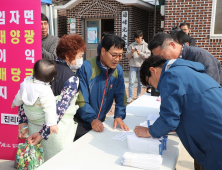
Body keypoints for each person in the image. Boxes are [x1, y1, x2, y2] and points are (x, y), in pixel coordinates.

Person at [135, 55, 222, 170]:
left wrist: (148, 131)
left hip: (215, 142)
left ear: (153, 70)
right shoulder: (189, 71)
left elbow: (169, 119)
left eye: (150, 83)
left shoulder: (170, 75)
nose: (155, 88)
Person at [18, 34, 86, 161]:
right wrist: (42, 134)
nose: (80, 59)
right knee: (57, 163)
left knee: (37, 163)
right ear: (68, 55)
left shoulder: (42, 68)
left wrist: (23, 124)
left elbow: (24, 97)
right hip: (56, 132)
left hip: (33, 127)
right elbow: (59, 111)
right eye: (79, 56)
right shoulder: (71, 78)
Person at [74, 34, 129, 141]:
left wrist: (118, 116)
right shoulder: (86, 67)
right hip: (82, 122)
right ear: (103, 51)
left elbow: (121, 96)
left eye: (120, 55)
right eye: (114, 55)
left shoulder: (118, 70)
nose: (117, 59)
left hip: (100, 121)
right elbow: (81, 100)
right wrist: (92, 119)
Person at [148, 32, 222, 86]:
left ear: (172, 45)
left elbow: (212, 87)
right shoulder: (172, 62)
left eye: (162, 55)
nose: (162, 59)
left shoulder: (200, 56)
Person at [12, 60, 58, 136]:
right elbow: (50, 108)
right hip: (40, 118)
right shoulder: (46, 91)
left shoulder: (26, 83)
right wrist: (52, 124)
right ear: (52, 79)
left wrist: (15, 102)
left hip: (29, 116)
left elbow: (20, 95)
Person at [126, 30, 151, 103]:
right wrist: (131, 52)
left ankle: (138, 95)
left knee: (140, 82)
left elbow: (147, 56)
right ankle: (130, 97)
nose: (137, 39)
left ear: (141, 37)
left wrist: (140, 53)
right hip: (133, 66)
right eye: (136, 38)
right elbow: (127, 56)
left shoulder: (146, 45)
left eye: (138, 38)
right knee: (131, 82)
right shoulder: (131, 45)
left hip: (142, 66)